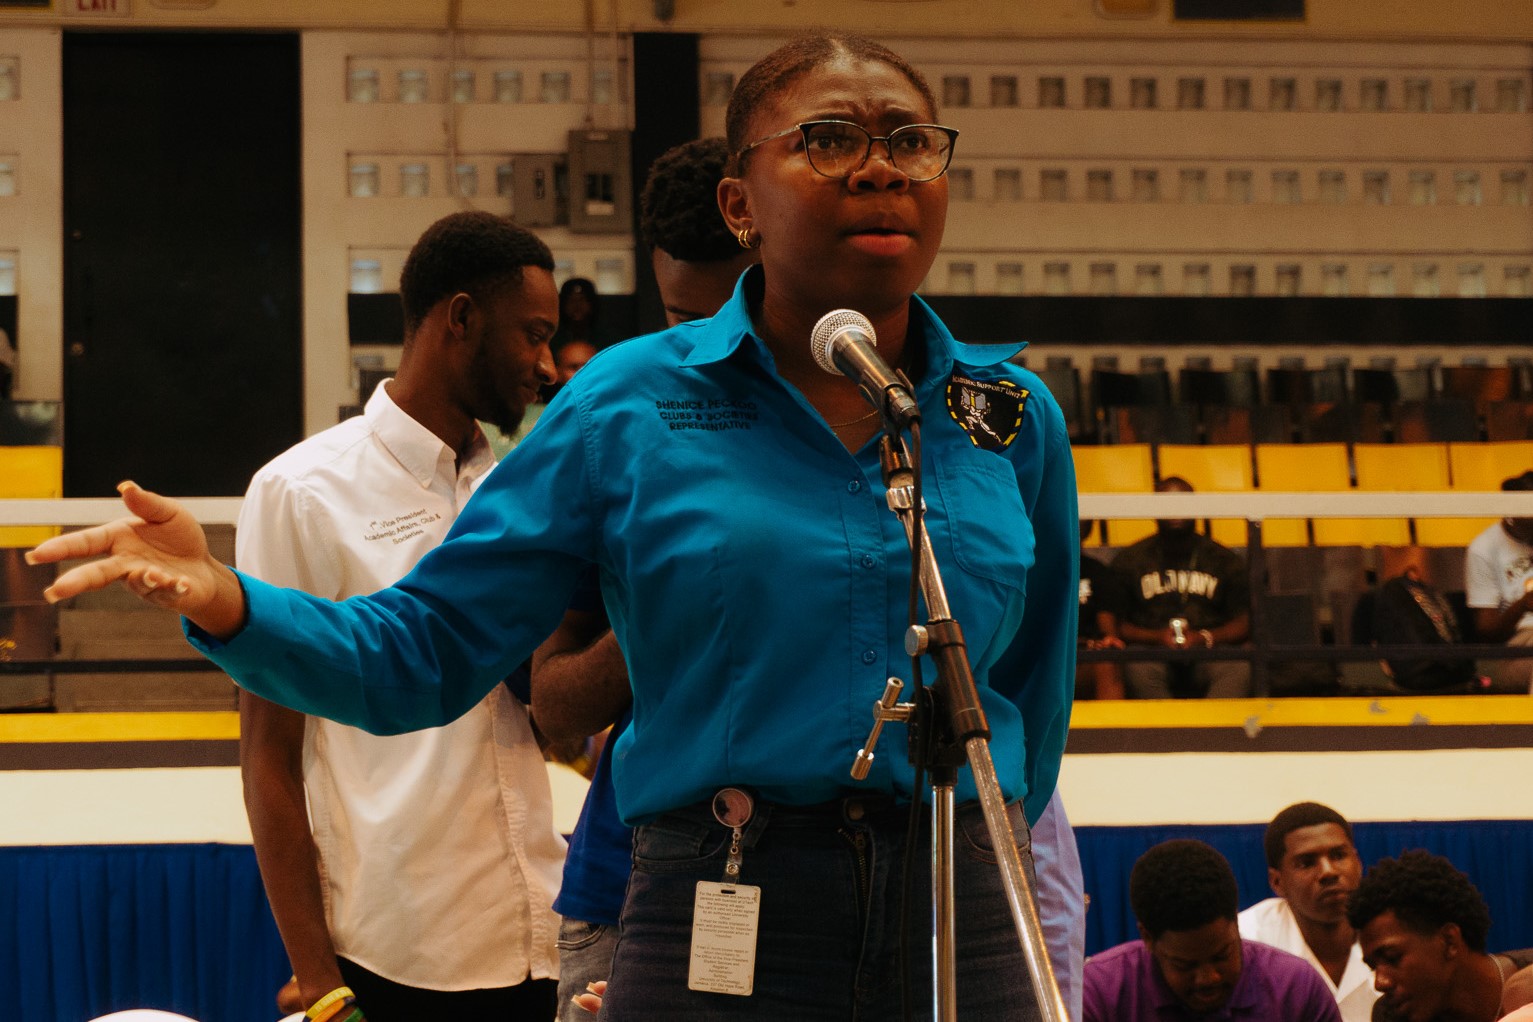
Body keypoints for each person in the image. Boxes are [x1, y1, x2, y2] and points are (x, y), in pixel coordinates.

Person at [30, 33, 1079, 1021]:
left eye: (909, 141)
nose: (882, 169)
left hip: (965, 908)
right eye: (829, 140)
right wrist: (229, 598)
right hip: (729, 899)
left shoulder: (1009, 419)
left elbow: (1030, 689)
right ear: (739, 202)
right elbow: (428, 650)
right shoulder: (629, 406)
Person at [238, 211, 565, 1021]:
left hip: (537, 930)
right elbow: (270, 753)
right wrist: (315, 977)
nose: (548, 365)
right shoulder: (303, 490)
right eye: (532, 336)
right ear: (460, 319)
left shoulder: (519, 491)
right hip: (394, 950)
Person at [534, 135, 760, 1022]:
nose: (703, 350)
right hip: (624, 881)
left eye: (727, 320)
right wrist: (669, 611)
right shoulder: (626, 430)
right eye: (677, 320)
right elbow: (553, 705)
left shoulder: (879, 441)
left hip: (821, 903)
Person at [1083, 839, 1343, 1021]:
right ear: (1148, 939)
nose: (1209, 978)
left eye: (1222, 955)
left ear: (1236, 923)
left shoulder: (1296, 989)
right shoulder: (1099, 993)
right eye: (1185, 965)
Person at [1348, 850, 1533, 1022]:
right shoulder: (1392, 1015)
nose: (1380, 983)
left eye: (1392, 958)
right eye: (1373, 967)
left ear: (1449, 941)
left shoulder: (1528, 983)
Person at [1113, 476, 1252, 699]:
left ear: (1196, 508)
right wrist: (1156, 637)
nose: (1175, 511)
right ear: (1153, 510)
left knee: (1237, 668)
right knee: (1136, 668)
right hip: (1150, 650)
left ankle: (1213, 733)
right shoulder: (1130, 560)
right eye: (1168, 504)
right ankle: (1164, 734)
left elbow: (1245, 621)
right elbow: (1118, 624)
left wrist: (1205, 637)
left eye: (1182, 503)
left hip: (1210, 648)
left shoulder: (1223, 559)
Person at [1239, 802, 1379, 1022]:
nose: (1328, 872)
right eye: (1307, 863)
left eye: (1338, 855)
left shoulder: (1396, 932)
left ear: (1358, 862)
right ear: (1277, 882)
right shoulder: (1246, 943)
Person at [1465, 470, 1533, 692]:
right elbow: (1488, 632)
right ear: (1513, 516)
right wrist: (1523, 605)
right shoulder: (1484, 549)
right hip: (1515, 650)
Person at [1077, 519, 1126, 700]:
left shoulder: (1096, 571)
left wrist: (1106, 639)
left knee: (1107, 660)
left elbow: (1107, 628)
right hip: (1051, 651)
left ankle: (1115, 726)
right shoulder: (1035, 571)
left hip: (1085, 654)